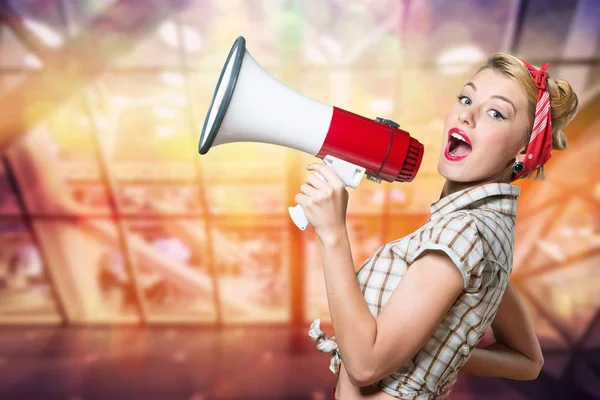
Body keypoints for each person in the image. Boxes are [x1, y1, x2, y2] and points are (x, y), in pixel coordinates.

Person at [298, 53, 579, 399]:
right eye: (466, 98)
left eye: (496, 112)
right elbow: (527, 360)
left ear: (524, 150)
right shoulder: (488, 233)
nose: (467, 114)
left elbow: (365, 366)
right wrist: (438, 352)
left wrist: (332, 235)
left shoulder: (461, 234)